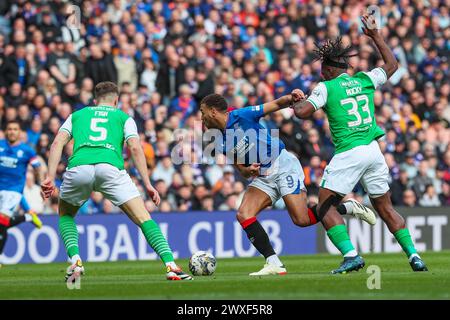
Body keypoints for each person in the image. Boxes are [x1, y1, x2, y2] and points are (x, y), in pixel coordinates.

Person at [292, 14, 427, 272]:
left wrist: (295, 99)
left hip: (349, 152)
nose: (321, 72)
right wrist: (375, 35)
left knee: (323, 207)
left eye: (323, 68)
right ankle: (414, 256)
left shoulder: (326, 87)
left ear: (330, 70)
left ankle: (351, 255)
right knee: (385, 208)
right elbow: (392, 64)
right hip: (374, 152)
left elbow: (302, 112)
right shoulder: (364, 80)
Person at [199, 92, 375, 276]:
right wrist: (246, 170)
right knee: (244, 214)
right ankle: (273, 262)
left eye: (202, 112)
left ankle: (347, 208)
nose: (201, 118)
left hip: (282, 165)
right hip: (263, 176)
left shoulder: (241, 115)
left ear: (213, 111)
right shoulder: (217, 140)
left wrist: (293, 96)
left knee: (302, 220)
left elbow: (276, 103)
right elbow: (239, 167)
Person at [40, 81, 192, 282]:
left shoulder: (77, 115)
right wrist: (147, 182)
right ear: (117, 100)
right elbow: (135, 148)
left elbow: (58, 142)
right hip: (110, 168)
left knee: (66, 215)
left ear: (95, 101)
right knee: (144, 218)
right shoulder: (124, 117)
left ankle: (75, 259)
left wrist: (50, 177)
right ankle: (171, 266)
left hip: (79, 168)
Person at [0, 120, 43, 262]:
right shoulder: (1, 145)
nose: (12, 131)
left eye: (15, 129)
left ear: (19, 133)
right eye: (10, 129)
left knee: (1, 221)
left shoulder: (27, 150)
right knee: (3, 223)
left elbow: (37, 167)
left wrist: (42, 183)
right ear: (6, 131)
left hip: (14, 192)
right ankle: (27, 217)